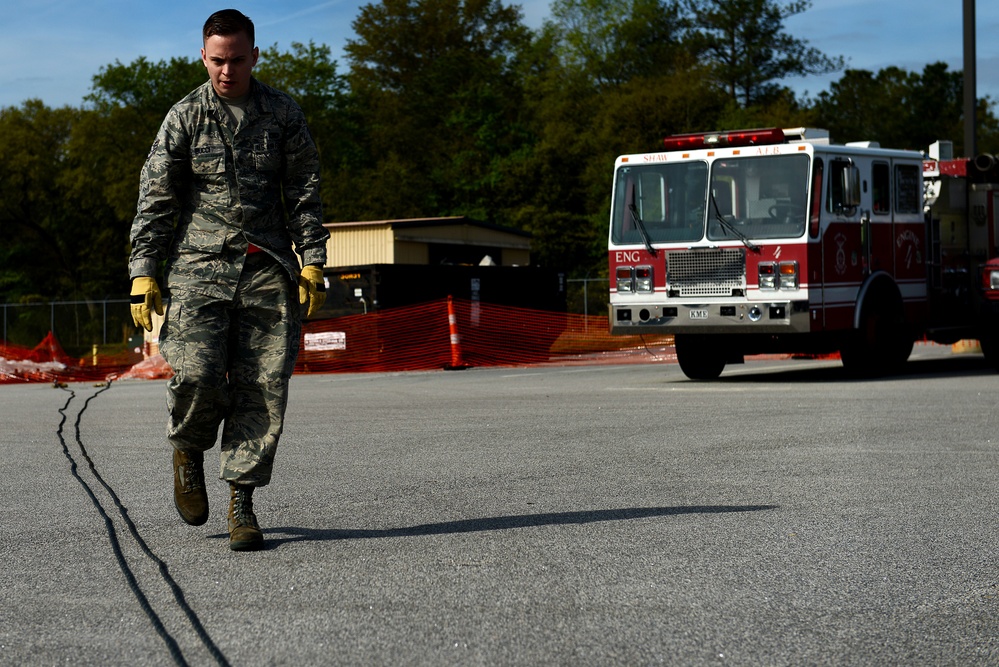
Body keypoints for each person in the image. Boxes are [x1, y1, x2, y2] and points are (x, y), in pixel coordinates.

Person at [128, 9, 329, 552]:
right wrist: (144, 272)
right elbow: (156, 200)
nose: (227, 71)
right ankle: (189, 450)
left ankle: (243, 500)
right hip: (198, 269)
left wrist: (312, 259)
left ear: (255, 56)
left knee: (263, 388)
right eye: (217, 61)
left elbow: (305, 192)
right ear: (203, 57)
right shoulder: (185, 117)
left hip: (266, 266)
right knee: (194, 373)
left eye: (237, 60)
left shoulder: (282, 114)